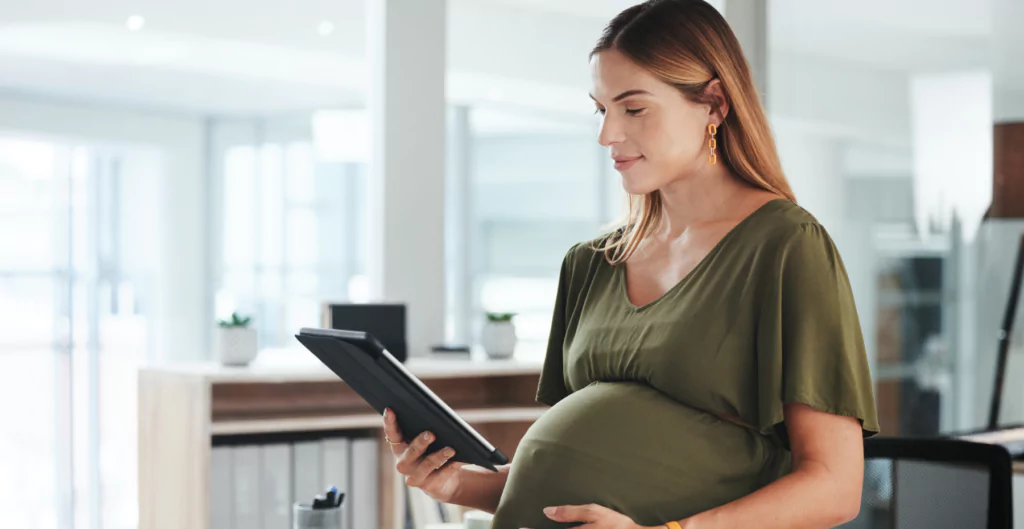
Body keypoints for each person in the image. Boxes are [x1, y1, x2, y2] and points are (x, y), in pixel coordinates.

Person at [381, 1, 880, 527]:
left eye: (633, 109)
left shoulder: (785, 248)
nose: (607, 135)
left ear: (713, 103)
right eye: (601, 109)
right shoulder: (590, 264)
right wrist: (462, 483)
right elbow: (560, 471)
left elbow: (835, 485)